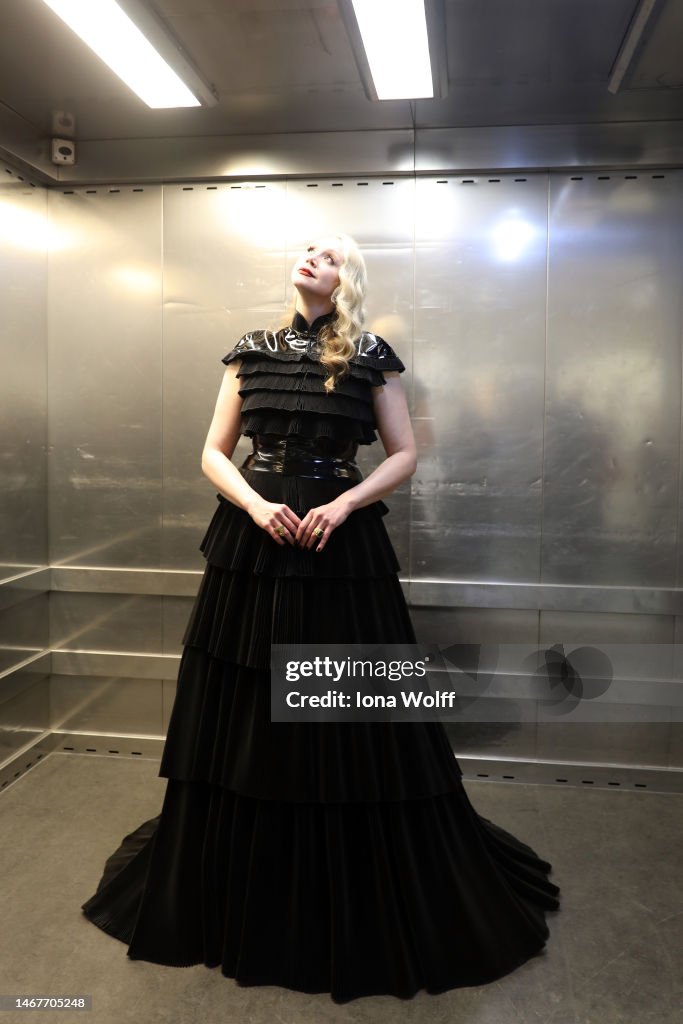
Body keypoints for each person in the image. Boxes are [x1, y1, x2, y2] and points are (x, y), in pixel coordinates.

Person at [81, 233, 561, 1004]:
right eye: (304, 248)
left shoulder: (371, 352)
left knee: (347, 708)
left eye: (327, 253)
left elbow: (403, 454)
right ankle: (245, 869)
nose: (309, 256)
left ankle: (346, 869)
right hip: (255, 539)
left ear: (347, 278)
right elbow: (212, 452)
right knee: (244, 697)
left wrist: (341, 504)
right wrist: (256, 503)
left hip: (339, 546)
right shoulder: (250, 349)